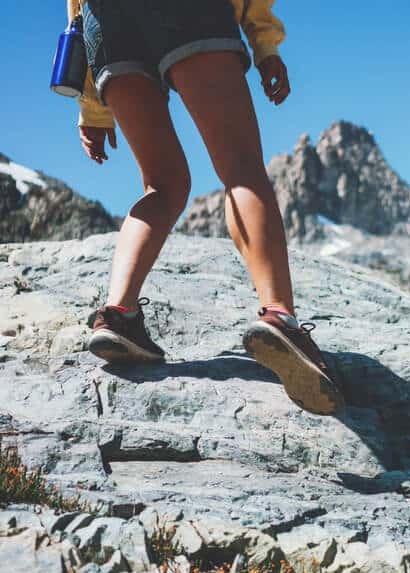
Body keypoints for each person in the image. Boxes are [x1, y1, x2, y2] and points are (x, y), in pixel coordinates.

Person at [68, 0, 344, 415]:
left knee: (162, 185)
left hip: (108, 21)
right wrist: (264, 44)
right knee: (240, 168)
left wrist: (90, 104)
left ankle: (118, 314)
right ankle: (279, 317)